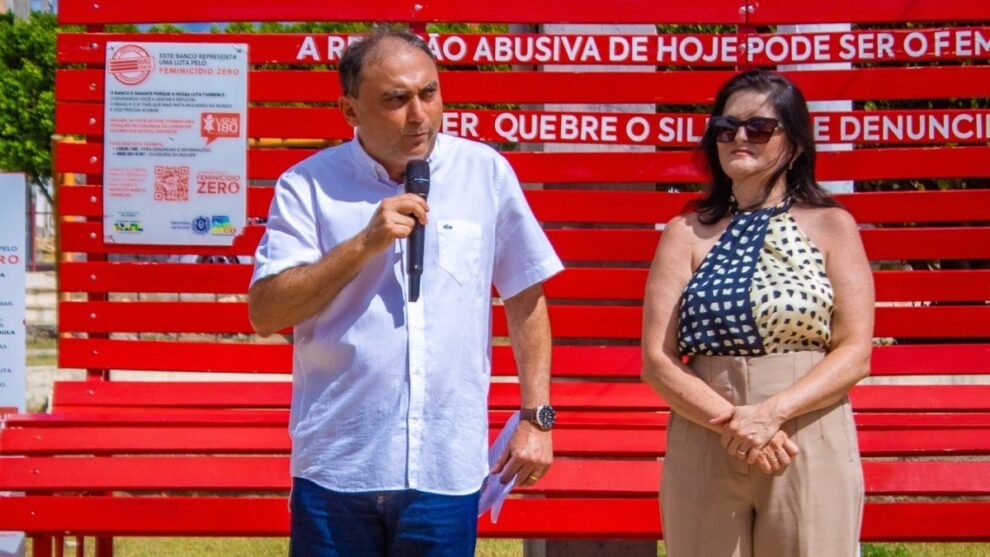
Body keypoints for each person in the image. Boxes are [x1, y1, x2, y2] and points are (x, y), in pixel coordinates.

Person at [247, 27, 563, 557]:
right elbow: (266, 311)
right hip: (339, 463)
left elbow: (525, 297)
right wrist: (364, 244)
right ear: (349, 110)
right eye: (395, 99)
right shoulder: (306, 185)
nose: (419, 114)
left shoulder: (484, 172)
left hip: (445, 461)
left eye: (429, 93)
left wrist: (537, 418)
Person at [641, 70, 874, 556]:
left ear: (795, 144)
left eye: (758, 128)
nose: (738, 138)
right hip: (706, 428)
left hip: (804, 427)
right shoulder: (684, 233)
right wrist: (735, 423)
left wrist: (772, 415)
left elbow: (854, 350)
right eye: (725, 128)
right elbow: (657, 360)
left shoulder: (833, 226)